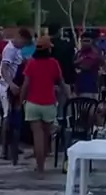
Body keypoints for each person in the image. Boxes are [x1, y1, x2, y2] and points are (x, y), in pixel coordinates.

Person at [20, 34, 70, 177]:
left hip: (32, 103)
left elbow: (26, 85)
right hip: (49, 104)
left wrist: (21, 100)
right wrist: (69, 96)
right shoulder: (53, 63)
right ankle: (46, 158)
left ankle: (40, 168)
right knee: (46, 135)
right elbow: (61, 82)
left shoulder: (31, 63)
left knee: (37, 137)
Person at [0, 27, 33, 158]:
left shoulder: (18, 50)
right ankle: (4, 149)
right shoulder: (9, 50)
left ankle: (14, 144)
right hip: (6, 86)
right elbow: (4, 69)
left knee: (16, 115)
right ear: (19, 38)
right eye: (24, 42)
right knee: (7, 116)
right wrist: (11, 84)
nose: (23, 45)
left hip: (16, 85)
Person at [74, 33, 102, 98]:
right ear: (81, 41)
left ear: (92, 42)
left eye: (88, 41)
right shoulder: (79, 53)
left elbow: (86, 66)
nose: (86, 43)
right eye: (84, 41)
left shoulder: (95, 54)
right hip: (79, 87)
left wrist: (78, 63)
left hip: (91, 87)